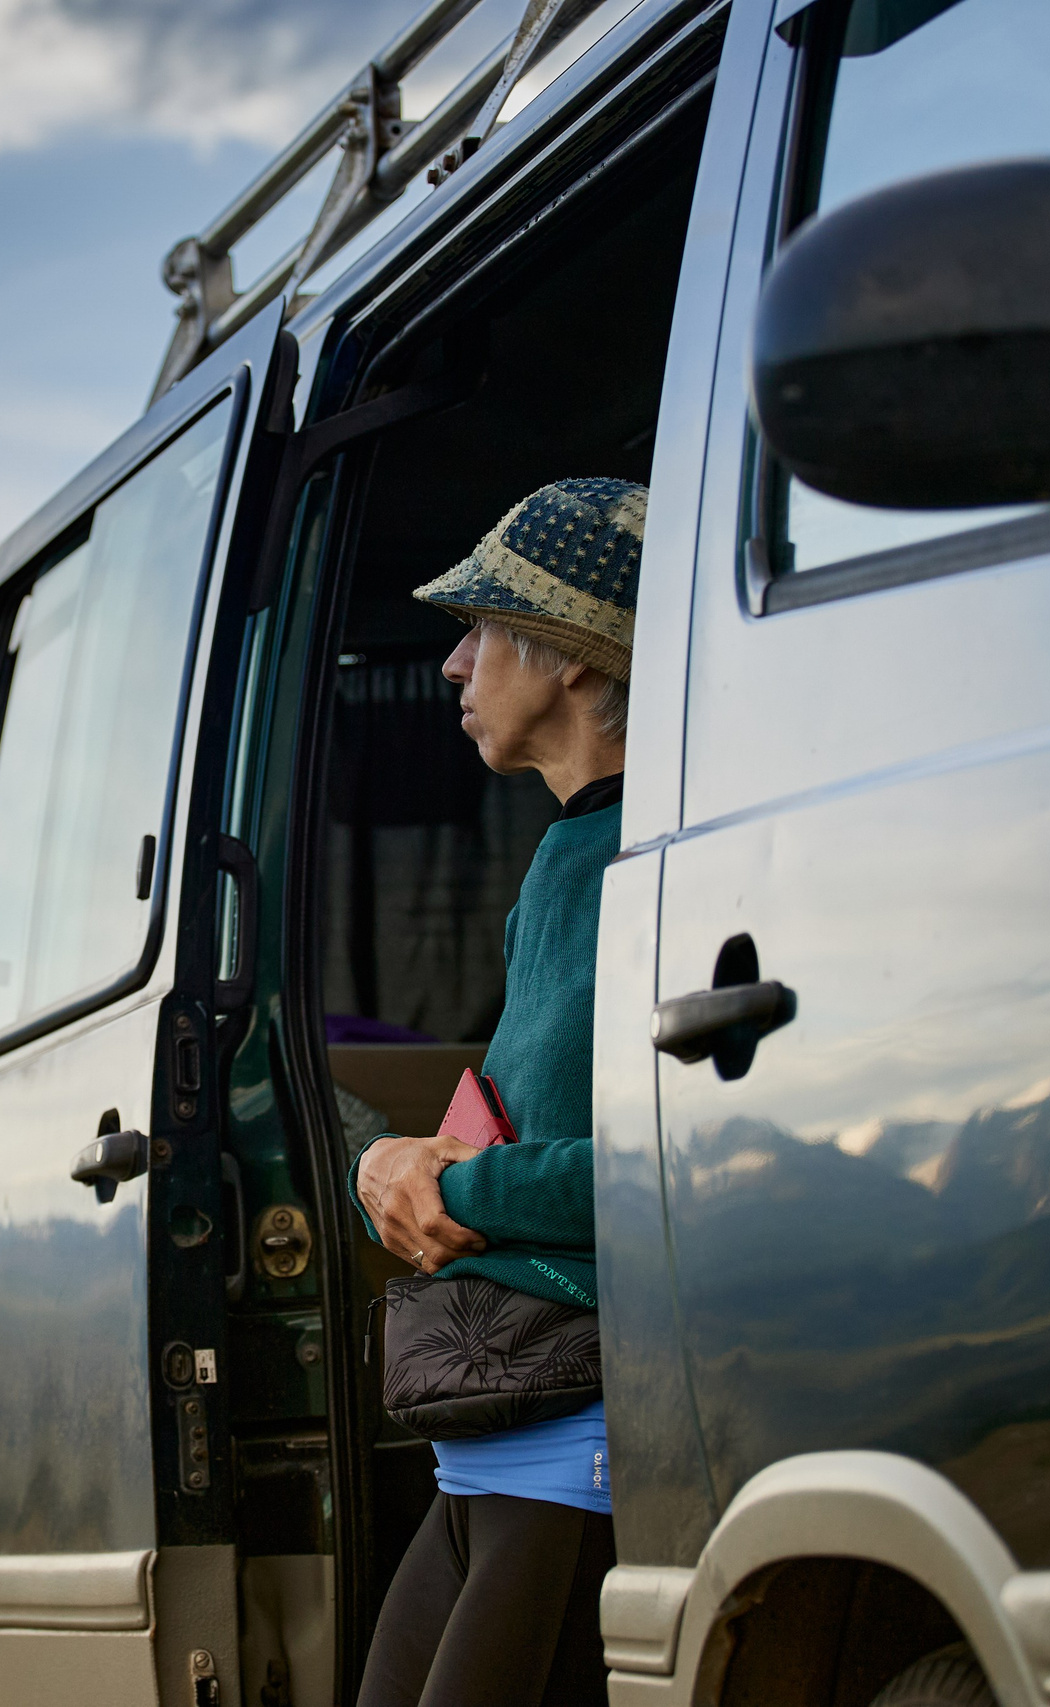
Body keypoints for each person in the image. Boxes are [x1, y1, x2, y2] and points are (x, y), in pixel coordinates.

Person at [348, 475, 641, 1707]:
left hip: (579, 1452)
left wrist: (453, 1181)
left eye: (484, 625)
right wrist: (399, 1163)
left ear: (574, 657)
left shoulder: (649, 863)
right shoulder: (562, 857)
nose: (456, 662)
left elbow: (657, 1167)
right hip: (486, 1448)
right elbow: (533, 1126)